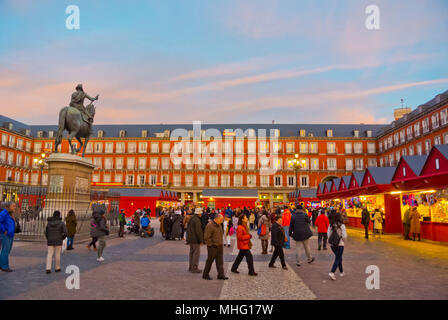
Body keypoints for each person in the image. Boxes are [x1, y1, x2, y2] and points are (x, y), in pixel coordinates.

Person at [203, 215, 228, 280]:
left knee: (220, 261)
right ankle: (205, 274)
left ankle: (220, 275)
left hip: (219, 246)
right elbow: (206, 237)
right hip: (213, 247)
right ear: (217, 218)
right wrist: (211, 245)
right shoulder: (210, 225)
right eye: (221, 219)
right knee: (209, 261)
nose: (222, 221)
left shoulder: (219, 224)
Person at [327, 212, 347, 280]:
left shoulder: (330, 225)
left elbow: (328, 236)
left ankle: (341, 272)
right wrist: (342, 241)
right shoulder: (342, 226)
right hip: (340, 244)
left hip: (332, 245)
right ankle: (332, 272)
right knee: (338, 258)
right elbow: (344, 236)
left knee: (339, 258)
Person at [0, 202, 17, 272]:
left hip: (10, 234)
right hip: (6, 235)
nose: (14, 207)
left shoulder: (9, 214)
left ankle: (1, 264)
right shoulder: (4, 213)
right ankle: (4, 266)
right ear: (8, 207)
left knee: (6, 250)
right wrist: (4, 230)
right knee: (5, 250)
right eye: (13, 206)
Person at [187, 208, 204, 273]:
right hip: (195, 239)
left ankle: (191, 267)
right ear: (199, 213)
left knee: (191, 253)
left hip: (191, 239)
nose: (201, 214)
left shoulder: (192, 218)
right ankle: (195, 267)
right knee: (196, 254)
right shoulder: (197, 220)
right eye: (201, 213)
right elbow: (198, 231)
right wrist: (201, 240)